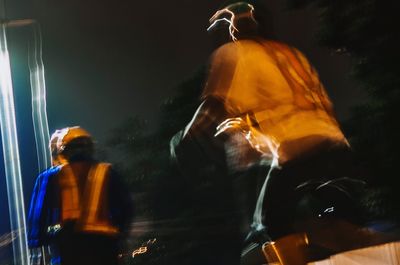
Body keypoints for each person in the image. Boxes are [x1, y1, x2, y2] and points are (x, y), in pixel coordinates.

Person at [171, 0, 354, 258]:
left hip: (293, 151)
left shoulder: (233, 53)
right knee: (323, 221)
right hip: (335, 145)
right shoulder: (292, 54)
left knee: (267, 224)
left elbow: (213, 105)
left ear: (234, 32)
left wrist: (186, 138)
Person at [27, 126, 133, 265]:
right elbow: (126, 208)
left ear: (64, 150)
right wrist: (120, 235)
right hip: (104, 244)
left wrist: (38, 239)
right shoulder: (108, 172)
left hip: (69, 245)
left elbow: (38, 214)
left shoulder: (50, 176)